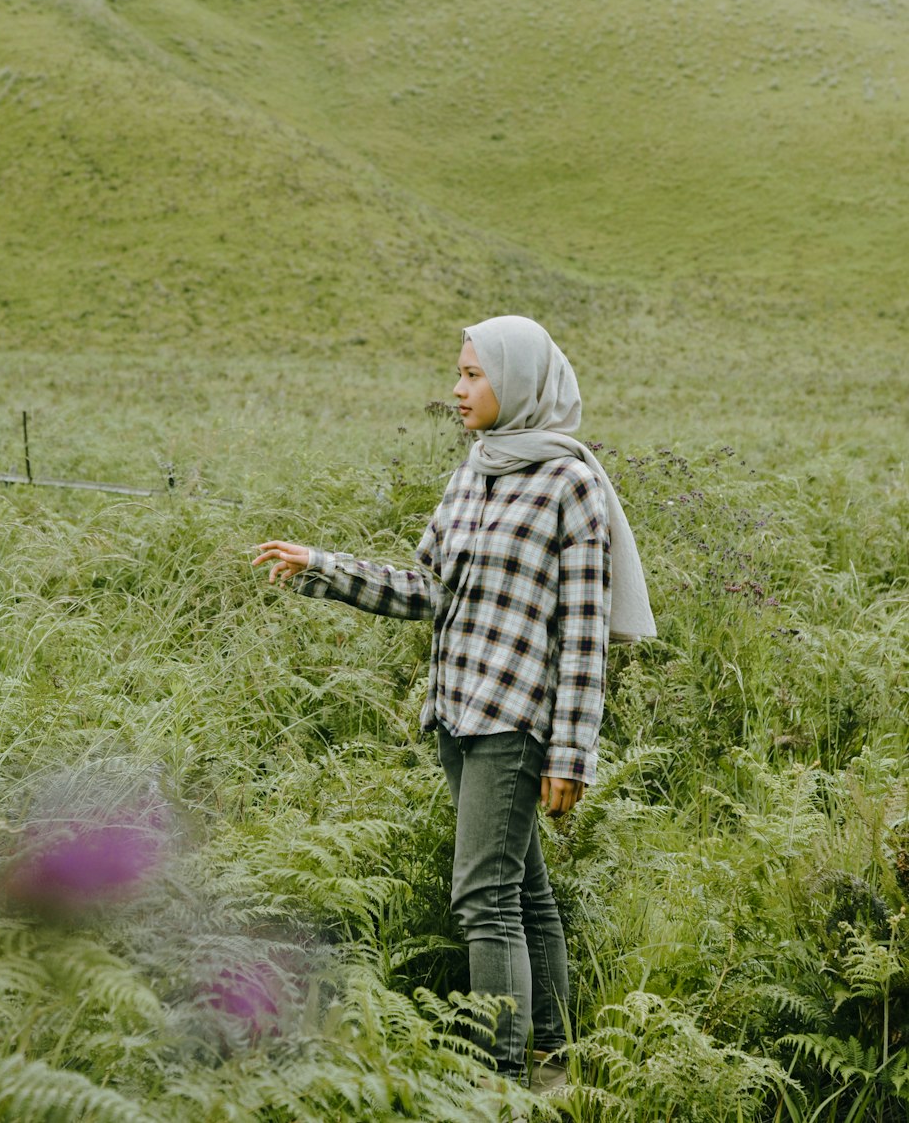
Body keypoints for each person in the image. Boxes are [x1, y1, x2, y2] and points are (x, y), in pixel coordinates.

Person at [254, 315, 654, 1094]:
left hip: (515, 722)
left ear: (520, 380)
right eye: (458, 372)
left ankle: (495, 1081)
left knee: (481, 898)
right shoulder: (477, 467)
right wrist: (320, 567)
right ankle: (554, 1054)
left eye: (473, 374)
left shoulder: (571, 485)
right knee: (521, 887)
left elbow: (583, 640)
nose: (457, 388)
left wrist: (571, 756)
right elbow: (426, 588)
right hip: (456, 710)